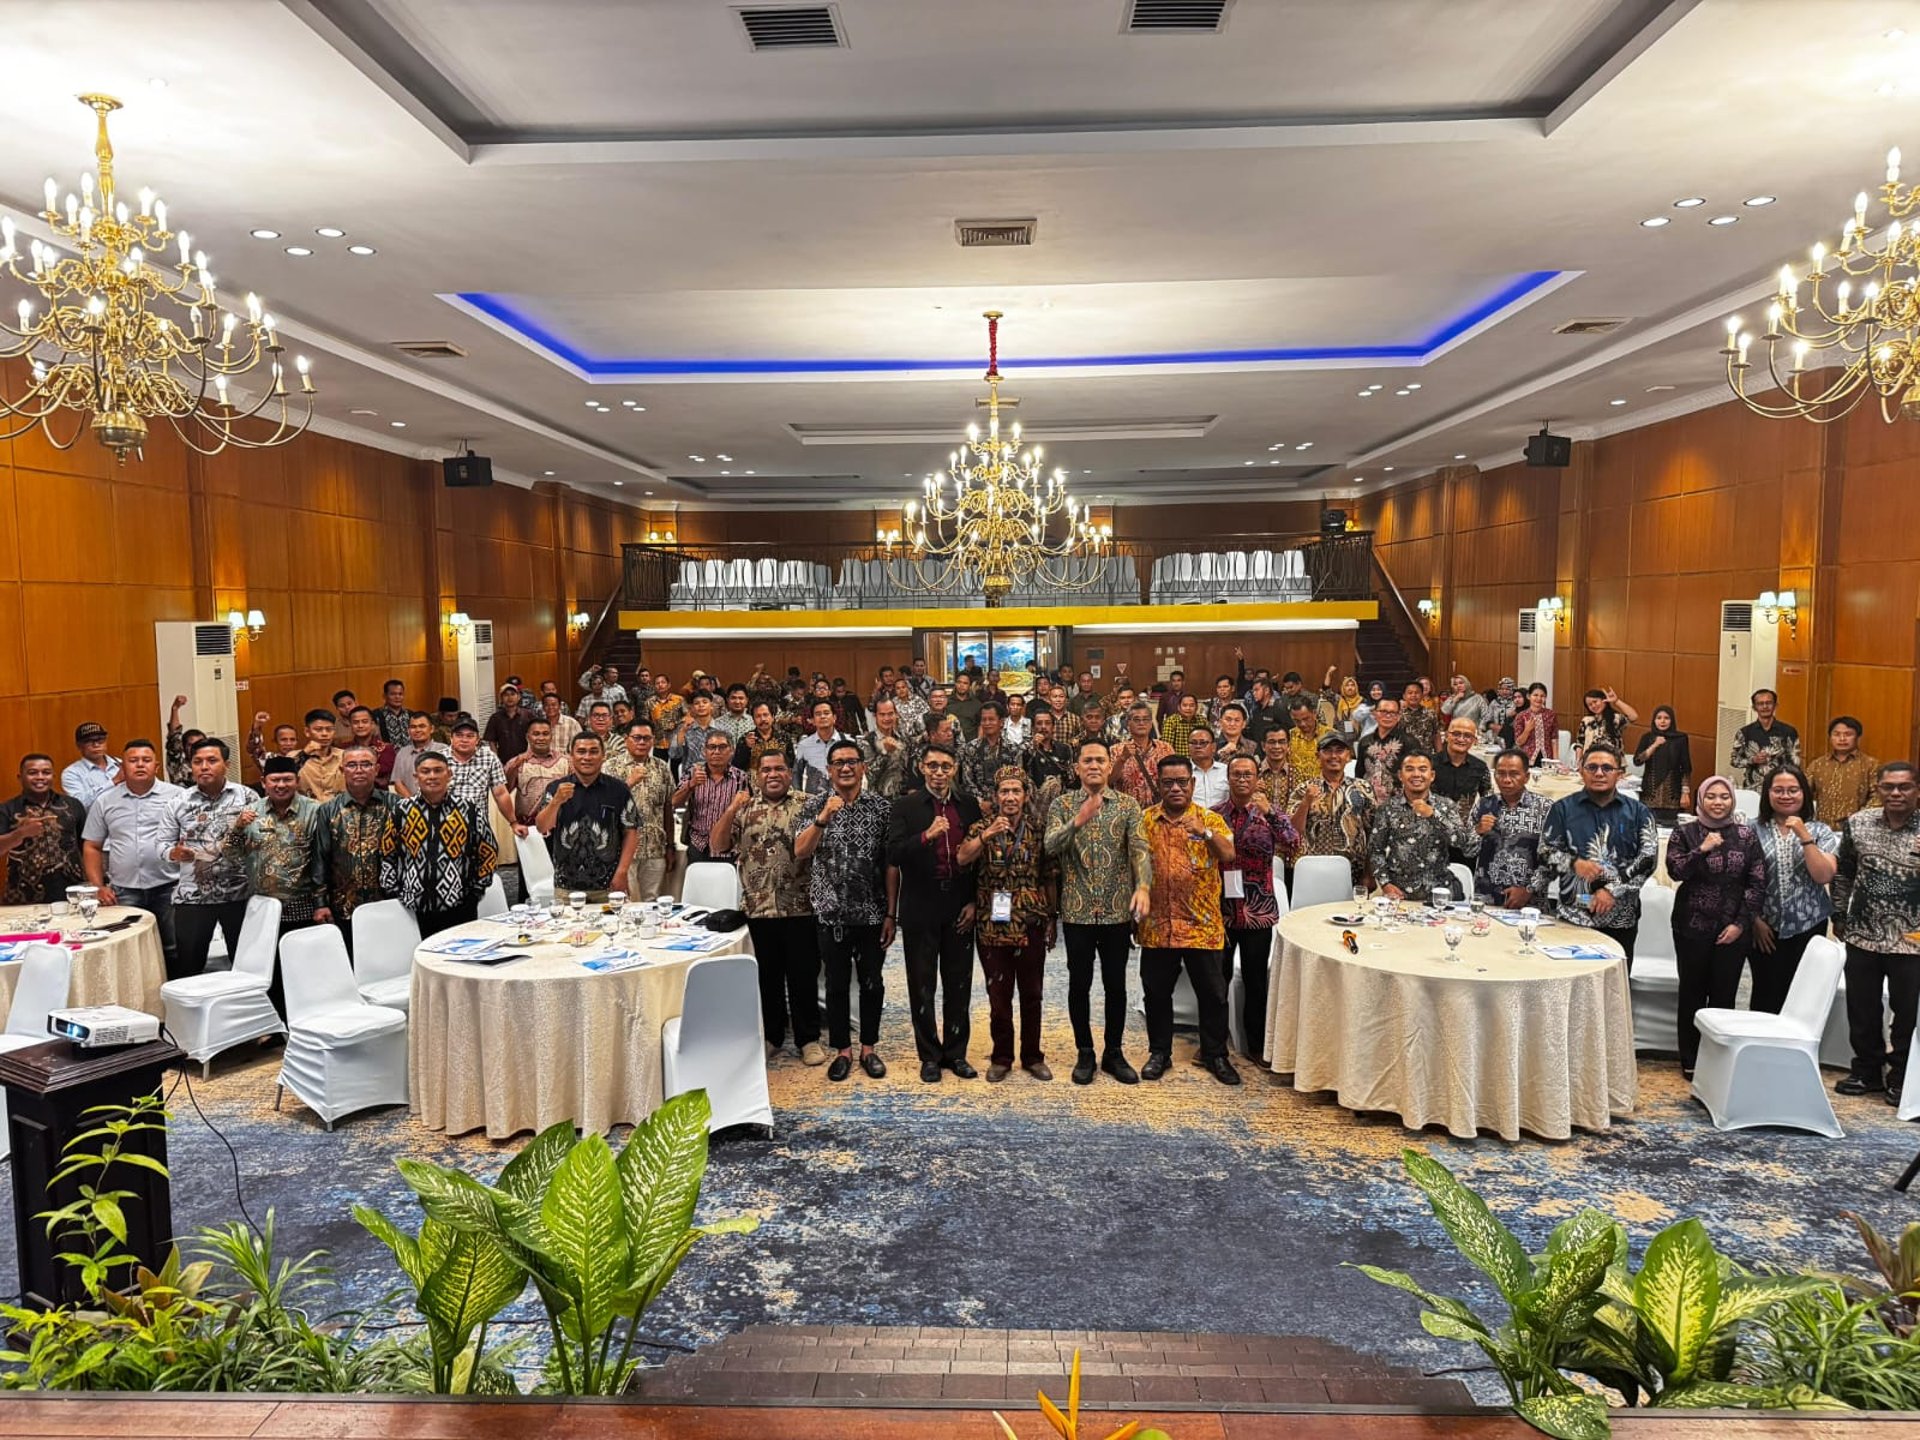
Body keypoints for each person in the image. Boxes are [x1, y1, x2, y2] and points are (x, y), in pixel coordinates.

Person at [1044, 738, 1151, 1086]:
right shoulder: (1062, 804)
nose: (1093, 765)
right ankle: (1085, 1052)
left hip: (1116, 913)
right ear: (1077, 767)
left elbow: (1139, 850)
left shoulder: (1128, 806)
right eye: (1087, 760)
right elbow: (1049, 847)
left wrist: (1143, 887)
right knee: (1079, 985)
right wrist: (1077, 821)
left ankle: (1114, 1052)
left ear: (1109, 767)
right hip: (1076, 913)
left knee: (1115, 985)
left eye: (1100, 760)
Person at [792, 740, 897, 1083]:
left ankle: (868, 1048)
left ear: (863, 767)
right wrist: (823, 819)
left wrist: (891, 914)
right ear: (829, 770)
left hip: (871, 913)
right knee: (836, 984)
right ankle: (843, 1050)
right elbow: (800, 851)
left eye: (852, 761)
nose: (846, 768)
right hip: (830, 913)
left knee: (871, 983)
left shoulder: (881, 808)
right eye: (838, 763)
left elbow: (890, 864)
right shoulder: (815, 805)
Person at [713, 752, 823, 1066]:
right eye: (766, 769)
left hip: (800, 906)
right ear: (756, 774)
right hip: (758, 909)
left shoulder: (808, 803)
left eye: (779, 768)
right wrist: (731, 809)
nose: (772, 774)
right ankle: (772, 1036)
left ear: (790, 773)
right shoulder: (744, 807)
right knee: (766, 978)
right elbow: (718, 845)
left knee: (803, 976)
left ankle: (808, 1038)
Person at [1137, 755, 1239, 1086]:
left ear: (1192, 784)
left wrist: (1205, 832)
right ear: (1159, 785)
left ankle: (1215, 1054)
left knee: (1213, 994)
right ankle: (1159, 1052)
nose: (1176, 788)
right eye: (1168, 783)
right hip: (1158, 926)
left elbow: (1228, 855)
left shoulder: (1211, 819)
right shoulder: (1145, 821)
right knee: (1156, 993)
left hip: (1202, 926)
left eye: (1182, 782)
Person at [888, 742, 983, 1082]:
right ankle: (929, 1056)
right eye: (932, 766)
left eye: (945, 766)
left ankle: (956, 1054)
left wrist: (974, 901)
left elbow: (979, 860)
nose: (939, 772)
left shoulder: (969, 805)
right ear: (922, 768)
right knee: (922, 984)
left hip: (959, 903)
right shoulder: (906, 806)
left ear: (955, 768)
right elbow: (894, 853)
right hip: (920, 905)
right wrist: (926, 836)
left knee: (959, 984)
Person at [1663, 775, 1767, 1078]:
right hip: (1690, 926)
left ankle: (1718, 1058)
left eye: (1724, 796)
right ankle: (1691, 1059)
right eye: (1711, 796)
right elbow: (1675, 870)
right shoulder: (1685, 832)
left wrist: (1740, 924)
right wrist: (1702, 849)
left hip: (1734, 928)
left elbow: (1757, 882)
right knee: (1692, 992)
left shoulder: (1746, 835)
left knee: (1723, 995)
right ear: (1701, 799)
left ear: (1732, 800)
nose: (1718, 802)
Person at [958, 767, 1056, 1083]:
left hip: (1030, 922)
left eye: (1016, 791)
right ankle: (1002, 1057)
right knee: (998, 997)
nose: (1010, 797)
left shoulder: (1039, 829)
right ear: (995, 797)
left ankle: (1032, 1056)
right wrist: (986, 836)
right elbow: (961, 858)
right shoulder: (981, 826)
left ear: (1025, 796)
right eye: (1004, 791)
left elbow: (1049, 877)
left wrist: (1052, 917)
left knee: (1032, 994)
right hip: (992, 923)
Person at [1831, 761, 1920, 1105]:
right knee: (1863, 1008)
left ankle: (1900, 1077)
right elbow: (1844, 874)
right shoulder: (1859, 823)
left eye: (1904, 787)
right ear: (1879, 789)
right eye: (1889, 787)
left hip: (1912, 941)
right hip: (1863, 933)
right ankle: (1866, 1071)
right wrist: (1839, 913)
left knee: (1907, 1012)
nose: (1896, 793)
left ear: (1916, 790)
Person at [222, 755, 322, 1017]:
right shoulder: (250, 813)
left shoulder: (315, 811)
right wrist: (237, 827)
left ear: (297, 781)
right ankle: (274, 1022)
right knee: (270, 968)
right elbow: (230, 855)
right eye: (274, 780)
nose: (281, 785)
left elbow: (324, 858)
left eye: (287, 779)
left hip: (303, 904)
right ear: (264, 783)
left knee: (302, 965)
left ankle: (305, 1017)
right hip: (264, 908)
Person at [1540, 741, 1658, 961]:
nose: (1599, 773)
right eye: (1592, 767)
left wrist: (1612, 890)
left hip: (1620, 918)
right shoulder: (1562, 809)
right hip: (1573, 917)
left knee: (1614, 989)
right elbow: (1545, 852)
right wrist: (1574, 863)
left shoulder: (1639, 813)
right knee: (1571, 986)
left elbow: (1648, 860)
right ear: (1581, 771)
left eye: (1607, 768)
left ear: (1620, 774)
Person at [1216, 754, 1298, 1063]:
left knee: (1255, 981)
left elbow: (1293, 842)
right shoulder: (1214, 814)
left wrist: (1273, 814)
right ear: (1228, 778)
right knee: (1217, 981)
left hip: (1258, 909)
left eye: (1247, 774)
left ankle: (1256, 1046)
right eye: (1236, 774)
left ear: (1256, 779)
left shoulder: (1268, 814)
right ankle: (1214, 1043)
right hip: (1222, 910)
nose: (1241, 779)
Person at [158, 738, 259, 979]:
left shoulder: (247, 796)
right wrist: (174, 853)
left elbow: (259, 841)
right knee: (189, 968)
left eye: (212, 761)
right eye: (197, 762)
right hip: (193, 897)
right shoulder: (178, 803)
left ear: (227, 764)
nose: (204, 766)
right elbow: (161, 845)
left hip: (239, 893)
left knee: (246, 966)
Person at [81, 739, 183, 971]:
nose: (140, 765)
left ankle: (175, 998)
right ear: (122, 767)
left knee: (173, 949)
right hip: (123, 891)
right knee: (128, 950)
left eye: (146, 760)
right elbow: (92, 847)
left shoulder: (177, 796)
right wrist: (98, 887)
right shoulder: (106, 801)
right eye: (133, 760)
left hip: (169, 886)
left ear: (156, 766)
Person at [1751, 764, 1840, 1015]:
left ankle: (1796, 1053)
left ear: (1804, 794)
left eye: (1793, 790)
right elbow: (1741, 881)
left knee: (1803, 994)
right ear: (1767, 794)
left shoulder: (1821, 830)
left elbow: (1823, 875)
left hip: (1809, 925)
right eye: (1778, 790)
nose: (1786, 795)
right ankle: (1762, 1050)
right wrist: (1754, 920)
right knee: (1765, 994)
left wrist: (1804, 835)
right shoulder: (1751, 829)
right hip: (1763, 927)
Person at [380, 751, 498, 937]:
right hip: (412, 907)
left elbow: (488, 851)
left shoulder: (468, 809)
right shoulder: (401, 810)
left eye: (438, 770)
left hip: (459, 905)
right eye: (426, 771)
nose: (432, 776)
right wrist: (393, 891)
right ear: (416, 776)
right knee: (420, 959)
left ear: (449, 774)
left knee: (461, 961)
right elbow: (387, 853)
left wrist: (476, 891)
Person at [535, 734, 639, 895]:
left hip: (609, 884)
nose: (587, 757)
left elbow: (631, 832)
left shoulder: (619, 790)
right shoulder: (556, 789)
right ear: (571, 756)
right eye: (581, 751)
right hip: (566, 885)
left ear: (603, 756)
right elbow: (542, 827)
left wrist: (622, 872)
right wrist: (556, 802)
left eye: (593, 751)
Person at [309, 746, 395, 936]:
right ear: (342, 770)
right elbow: (320, 859)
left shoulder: (395, 805)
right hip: (343, 906)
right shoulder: (327, 811)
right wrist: (320, 903)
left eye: (366, 764)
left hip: (390, 903)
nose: (359, 770)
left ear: (377, 769)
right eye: (352, 765)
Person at [1367, 752, 1473, 900]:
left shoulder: (1446, 805)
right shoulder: (1387, 808)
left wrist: (1433, 816)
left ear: (1432, 775)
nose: (1416, 774)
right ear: (1400, 775)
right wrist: (1386, 884)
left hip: (1440, 893)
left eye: (1423, 769)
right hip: (1400, 894)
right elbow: (1375, 850)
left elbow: (1464, 843)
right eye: (1409, 769)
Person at [0, 754, 88, 904]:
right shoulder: (7, 809)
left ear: (53, 776)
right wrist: (19, 834)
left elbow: (86, 846)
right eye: (33, 773)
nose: (40, 777)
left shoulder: (73, 805)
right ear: (20, 777)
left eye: (46, 772)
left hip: (71, 891)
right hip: (22, 894)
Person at [1469, 749, 1552, 908]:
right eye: (1501, 773)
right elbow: (1467, 851)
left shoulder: (1545, 808)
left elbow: (1554, 860)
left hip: (1530, 903)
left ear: (1526, 777)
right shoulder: (1484, 805)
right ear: (1494, 776)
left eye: (1514, 774)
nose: (1507, 780)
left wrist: (1529, 889)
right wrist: (1478, 831)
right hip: (1486, 899)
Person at [1291, 732, 1373, 886]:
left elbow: (1372, 833)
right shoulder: (1303, 789)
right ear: (1318, 756)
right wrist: (1306, 802)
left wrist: (1369, 873)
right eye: (1327, 751)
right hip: (1314, 869)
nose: (1334, 756)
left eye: (1339, 751)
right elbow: (1293, 831)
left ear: (1348, 756)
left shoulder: (1363, 788)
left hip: (1354, 871)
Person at [614, 721, 676, 901]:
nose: (642, 742)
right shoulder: (610, 767)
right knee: (627, 903)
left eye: (646, 738)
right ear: (626, 740)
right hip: (624, 850)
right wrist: (628, 784)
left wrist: (670, 846)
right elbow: (606, 806)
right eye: (637, 738)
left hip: (655, 847)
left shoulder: (662, 767)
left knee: (653, 902)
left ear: (653, 741)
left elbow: (667, 807)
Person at [675, 731, 749, 864]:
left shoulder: (741, 778)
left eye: (722, 747)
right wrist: (690, 785)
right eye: (712, 747)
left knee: (727, 884)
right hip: (699, 844)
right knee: (697, 883)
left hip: (728, 846)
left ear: (731, 751)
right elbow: (674, 803)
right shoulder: (693, 772)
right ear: (704, 751)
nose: (716, 751)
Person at [1806, 716, 1878, 827]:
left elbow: (1878, 797)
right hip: (1823, 829)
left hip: (1858, 827)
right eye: (1837, 734)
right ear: (1830, 737)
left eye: (1848, 734)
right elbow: (1803, 793)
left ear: (1858, 737)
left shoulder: (1871, 764)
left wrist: (1859, 819)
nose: (1842, 739)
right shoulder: (1817, 764)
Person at [1634, 706, 1694, 825]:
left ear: (1672, 720)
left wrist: (1685, 792)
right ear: (1654, 720)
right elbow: (1638, 761)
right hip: (1650, 794)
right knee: (1648, 827)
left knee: (1671, 828)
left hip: (1673, 794)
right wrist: (1654, 745)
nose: (1662, 721)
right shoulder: (1647, 737)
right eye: (1659, 718)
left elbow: (1686, 767)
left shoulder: (1680, 739)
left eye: (1666, 718)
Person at [1731, 688, 1800, 790]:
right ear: (1754, 707)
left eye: (1769, 703)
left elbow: (1796, 762)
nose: (1765, 706)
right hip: (1753, 788)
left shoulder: (1789, 732)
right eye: (1760, 704)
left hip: (1781, 788)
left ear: (1775, 705)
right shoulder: (1744, 733)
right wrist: (1753, 760)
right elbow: (1734, 760)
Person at [959, 701, 1024, 801]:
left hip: (1006, 802)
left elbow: (1017, 780)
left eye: (991, 719)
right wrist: (981, 801)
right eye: (984, 720)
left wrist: (1000, 800)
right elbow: (967, 781)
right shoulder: (970, 748)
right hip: (977, 805)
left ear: (1001, 722)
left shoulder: (1013, 749)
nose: (987, 723)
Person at [1430, 718, 1492, 823]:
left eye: (1467, 736)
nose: (1461, 739)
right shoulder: (1429, 764)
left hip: (1463, 830)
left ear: (1474, 740)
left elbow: (1488, 800)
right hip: (1431, 827)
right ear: (1446, 736)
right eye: (1456, 734)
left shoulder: (1480, 767)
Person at [1111, 703, 1171, 807]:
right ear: (1128, 723)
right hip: (1127, 811)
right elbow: (1109, 781)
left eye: (1146, 719)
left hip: (1158, 811)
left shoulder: (1166, 748)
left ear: (1151, 723)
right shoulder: (1116, 750)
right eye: (1137, 719)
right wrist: (1122, 759)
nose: (1141, 723)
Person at [1355, 696, 1413, 801]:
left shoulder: (1409, 742)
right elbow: (1359, 773)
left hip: (1399, 802)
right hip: (1369, 801)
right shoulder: (1364, 742)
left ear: (1398, 716)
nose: (1388, 716)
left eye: (1392, 713)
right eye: (1383, 712)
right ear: (1375, 714)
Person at [858, 697, 912, 799]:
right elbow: (869, 775)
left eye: (890, 713)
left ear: (896, 714)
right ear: (875, 716)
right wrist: (885, 753)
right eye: (882, 714)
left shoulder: (903, 738)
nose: (887, 718)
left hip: (903, 797)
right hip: (877, 800)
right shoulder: (867, 741)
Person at [734, 701, 794, 790]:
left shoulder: (784, 737)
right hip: (753, 785)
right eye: (758, 716)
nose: (762, 719)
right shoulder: (746, 738)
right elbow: (737, 766)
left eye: (766, 715)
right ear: (753, 720)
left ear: (773, 717)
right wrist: (746, 747)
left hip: (780, 781)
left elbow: (791, 764)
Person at [390, 712, 450, 799]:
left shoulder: (444, 750)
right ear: (408, 731)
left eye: (422, 726)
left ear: (432, 729)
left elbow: (449, 780)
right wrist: (414, 803)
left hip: (440, 804)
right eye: (413, 727)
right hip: (411, 806)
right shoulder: (402, 753)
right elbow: (398, 783)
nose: (417, 730)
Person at [61, 722, 121, 808]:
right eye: (89, 741)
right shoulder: (71, 773)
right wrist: (113, 782)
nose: (96, 745)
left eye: (100, 740)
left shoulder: (120, 764)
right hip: (94, 820)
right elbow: (79, 804)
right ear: (79, 746)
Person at [793, 699, 845, 795]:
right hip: (814, 800)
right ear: (812, 720)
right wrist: (798, 799)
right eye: (818, 714)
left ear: (834, 717)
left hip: (842, 798)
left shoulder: (846, 742)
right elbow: (796, 775)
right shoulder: (804, 745)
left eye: (826, 713)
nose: (822, 716)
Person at [295, 709, 345, 802]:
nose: (324, 734)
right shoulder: (295, 756)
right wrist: (305, 754)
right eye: (318, 729)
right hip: (306, 812)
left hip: (338, 811)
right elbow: (285, 776)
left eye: (329, 729)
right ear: (307, 731)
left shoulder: (344, 755)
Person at [343, 706, 398, 791]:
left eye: (364, 722)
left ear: (372, 724)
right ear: (350, 725)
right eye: (356, 722)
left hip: (381, 797)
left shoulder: (387, 749)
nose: (360, 726)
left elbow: (390, 778)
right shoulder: (343, 749)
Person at [1576, 687, 1638, 757]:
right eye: (1590, 705)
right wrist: (1578, 762)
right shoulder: (1586, 720)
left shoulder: (1615, 718)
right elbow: (1580, 743)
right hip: (1591, 761)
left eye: (1595, 701)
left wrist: (1616, 701)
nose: (1593, 706)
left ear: (1604, 700)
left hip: (1613, 762)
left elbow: (1634, 717)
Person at [1284, 697, 1329, 789]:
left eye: (1306, 719)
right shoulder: (1289, 736)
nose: (1302, 724)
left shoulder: (1329, 735)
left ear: (1314, 713)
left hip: (1323, 790)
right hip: (1296, 792)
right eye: (1297, 721)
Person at [483, 684, 531, 762]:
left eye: (512, 694)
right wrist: (496, 760)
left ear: (518, 697)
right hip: (503, 761)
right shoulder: (495, 718)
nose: (510, 697)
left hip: (526, 760)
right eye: (506, 695)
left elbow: (535, 737)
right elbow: (491, 742)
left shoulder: (528, 715)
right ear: (501, 698)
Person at [1185, 725, 1229, 810]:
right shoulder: (1182, 771)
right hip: (1192, 820)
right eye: (1193, 743)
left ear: (1213, 747)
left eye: (1203, 743)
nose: (1198, 746)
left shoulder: (1226, 770)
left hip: (1221, 820)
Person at [1513, 683, 1558, 766]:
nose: (1539, 698)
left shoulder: (1551, 714)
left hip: (1547, 758)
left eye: (1542, 696)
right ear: (1528, 696)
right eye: (1535, 695)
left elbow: (1554, 739)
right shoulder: (1521, 716)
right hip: (1527, 758)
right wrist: (1527, 730)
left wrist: (1556, 761)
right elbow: (1518, 742)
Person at [1398, 681, 1438, 753]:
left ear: (1422, 695)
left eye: (1417, 693)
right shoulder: (1398, 715)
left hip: (1426, 755)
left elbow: (1436, 735)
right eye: (1410, 693)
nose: (1413, 695)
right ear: (1404, 696)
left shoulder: (1431, 713)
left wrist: (1439, 754)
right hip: (1405, 755)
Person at [376, 679, 412, 746]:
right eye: (393, 694)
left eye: (400, 694)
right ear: (384, 696)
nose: (397, 697)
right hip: (387, 754)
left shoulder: (411, 715)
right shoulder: (376, 715)